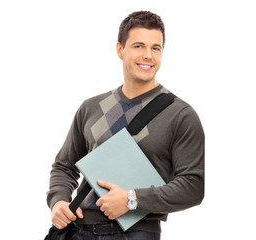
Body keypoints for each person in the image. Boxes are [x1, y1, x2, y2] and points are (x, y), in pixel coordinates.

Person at [46, 10, 205, 239]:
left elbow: (193, 186)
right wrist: (58, 201)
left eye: (156, 48)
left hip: (136, 234)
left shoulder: (180, 115)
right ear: (120, 50)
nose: (148, 55)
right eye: (138, 46)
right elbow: (64, 166)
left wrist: (132, 199)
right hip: (78, 231)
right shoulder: (91, 107)